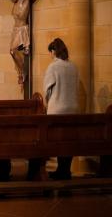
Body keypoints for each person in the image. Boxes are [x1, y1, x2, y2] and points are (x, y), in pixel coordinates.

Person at [44, 38, 79, 179]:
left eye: (50, 52)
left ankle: (61, 171)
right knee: (69, 140)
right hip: (72, 108)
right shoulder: (73, 66)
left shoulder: (53, 67)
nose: (50, 55)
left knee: (58, 140)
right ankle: (66, 170)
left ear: (54, 51)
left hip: (58, 108)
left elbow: (47, 89)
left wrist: (48, 103)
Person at [7, 0, 49, 84]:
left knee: (14, 51)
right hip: (15, 30)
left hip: (22, 29)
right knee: (12, 52)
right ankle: (21, 71)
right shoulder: (15, 5)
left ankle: (22, 72)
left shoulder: (24, 0)